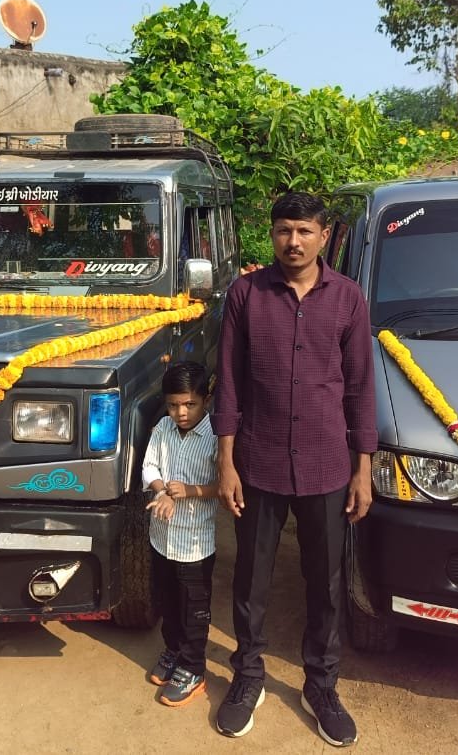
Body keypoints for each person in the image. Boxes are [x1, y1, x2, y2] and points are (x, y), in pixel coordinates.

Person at [211, 191, 377, 746]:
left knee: (326, 583)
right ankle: (249, 677)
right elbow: (229, 384)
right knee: (251, 581)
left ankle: (321, 684)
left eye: (304, 231)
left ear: (323, 235)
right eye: (284, 230)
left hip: (329, 464)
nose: (294, 241)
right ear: (272, 233)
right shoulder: (246, 294)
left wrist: (363, 468)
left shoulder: (348, 298)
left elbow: (359, 387)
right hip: (257, 463)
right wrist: (227, 461)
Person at [141, 360, 219, 708]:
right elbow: (150, 466)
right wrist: (160, 492)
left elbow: (226, 486)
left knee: (194, 608)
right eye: (174, 405)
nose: (181, 412)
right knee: (167, 599)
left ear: (206, 400)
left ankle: (193, 667)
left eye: (190, 404)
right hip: (162, 536)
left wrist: (191, 491)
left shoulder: (217, 437)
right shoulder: (163, 429)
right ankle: (173, 650)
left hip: (195, 543)